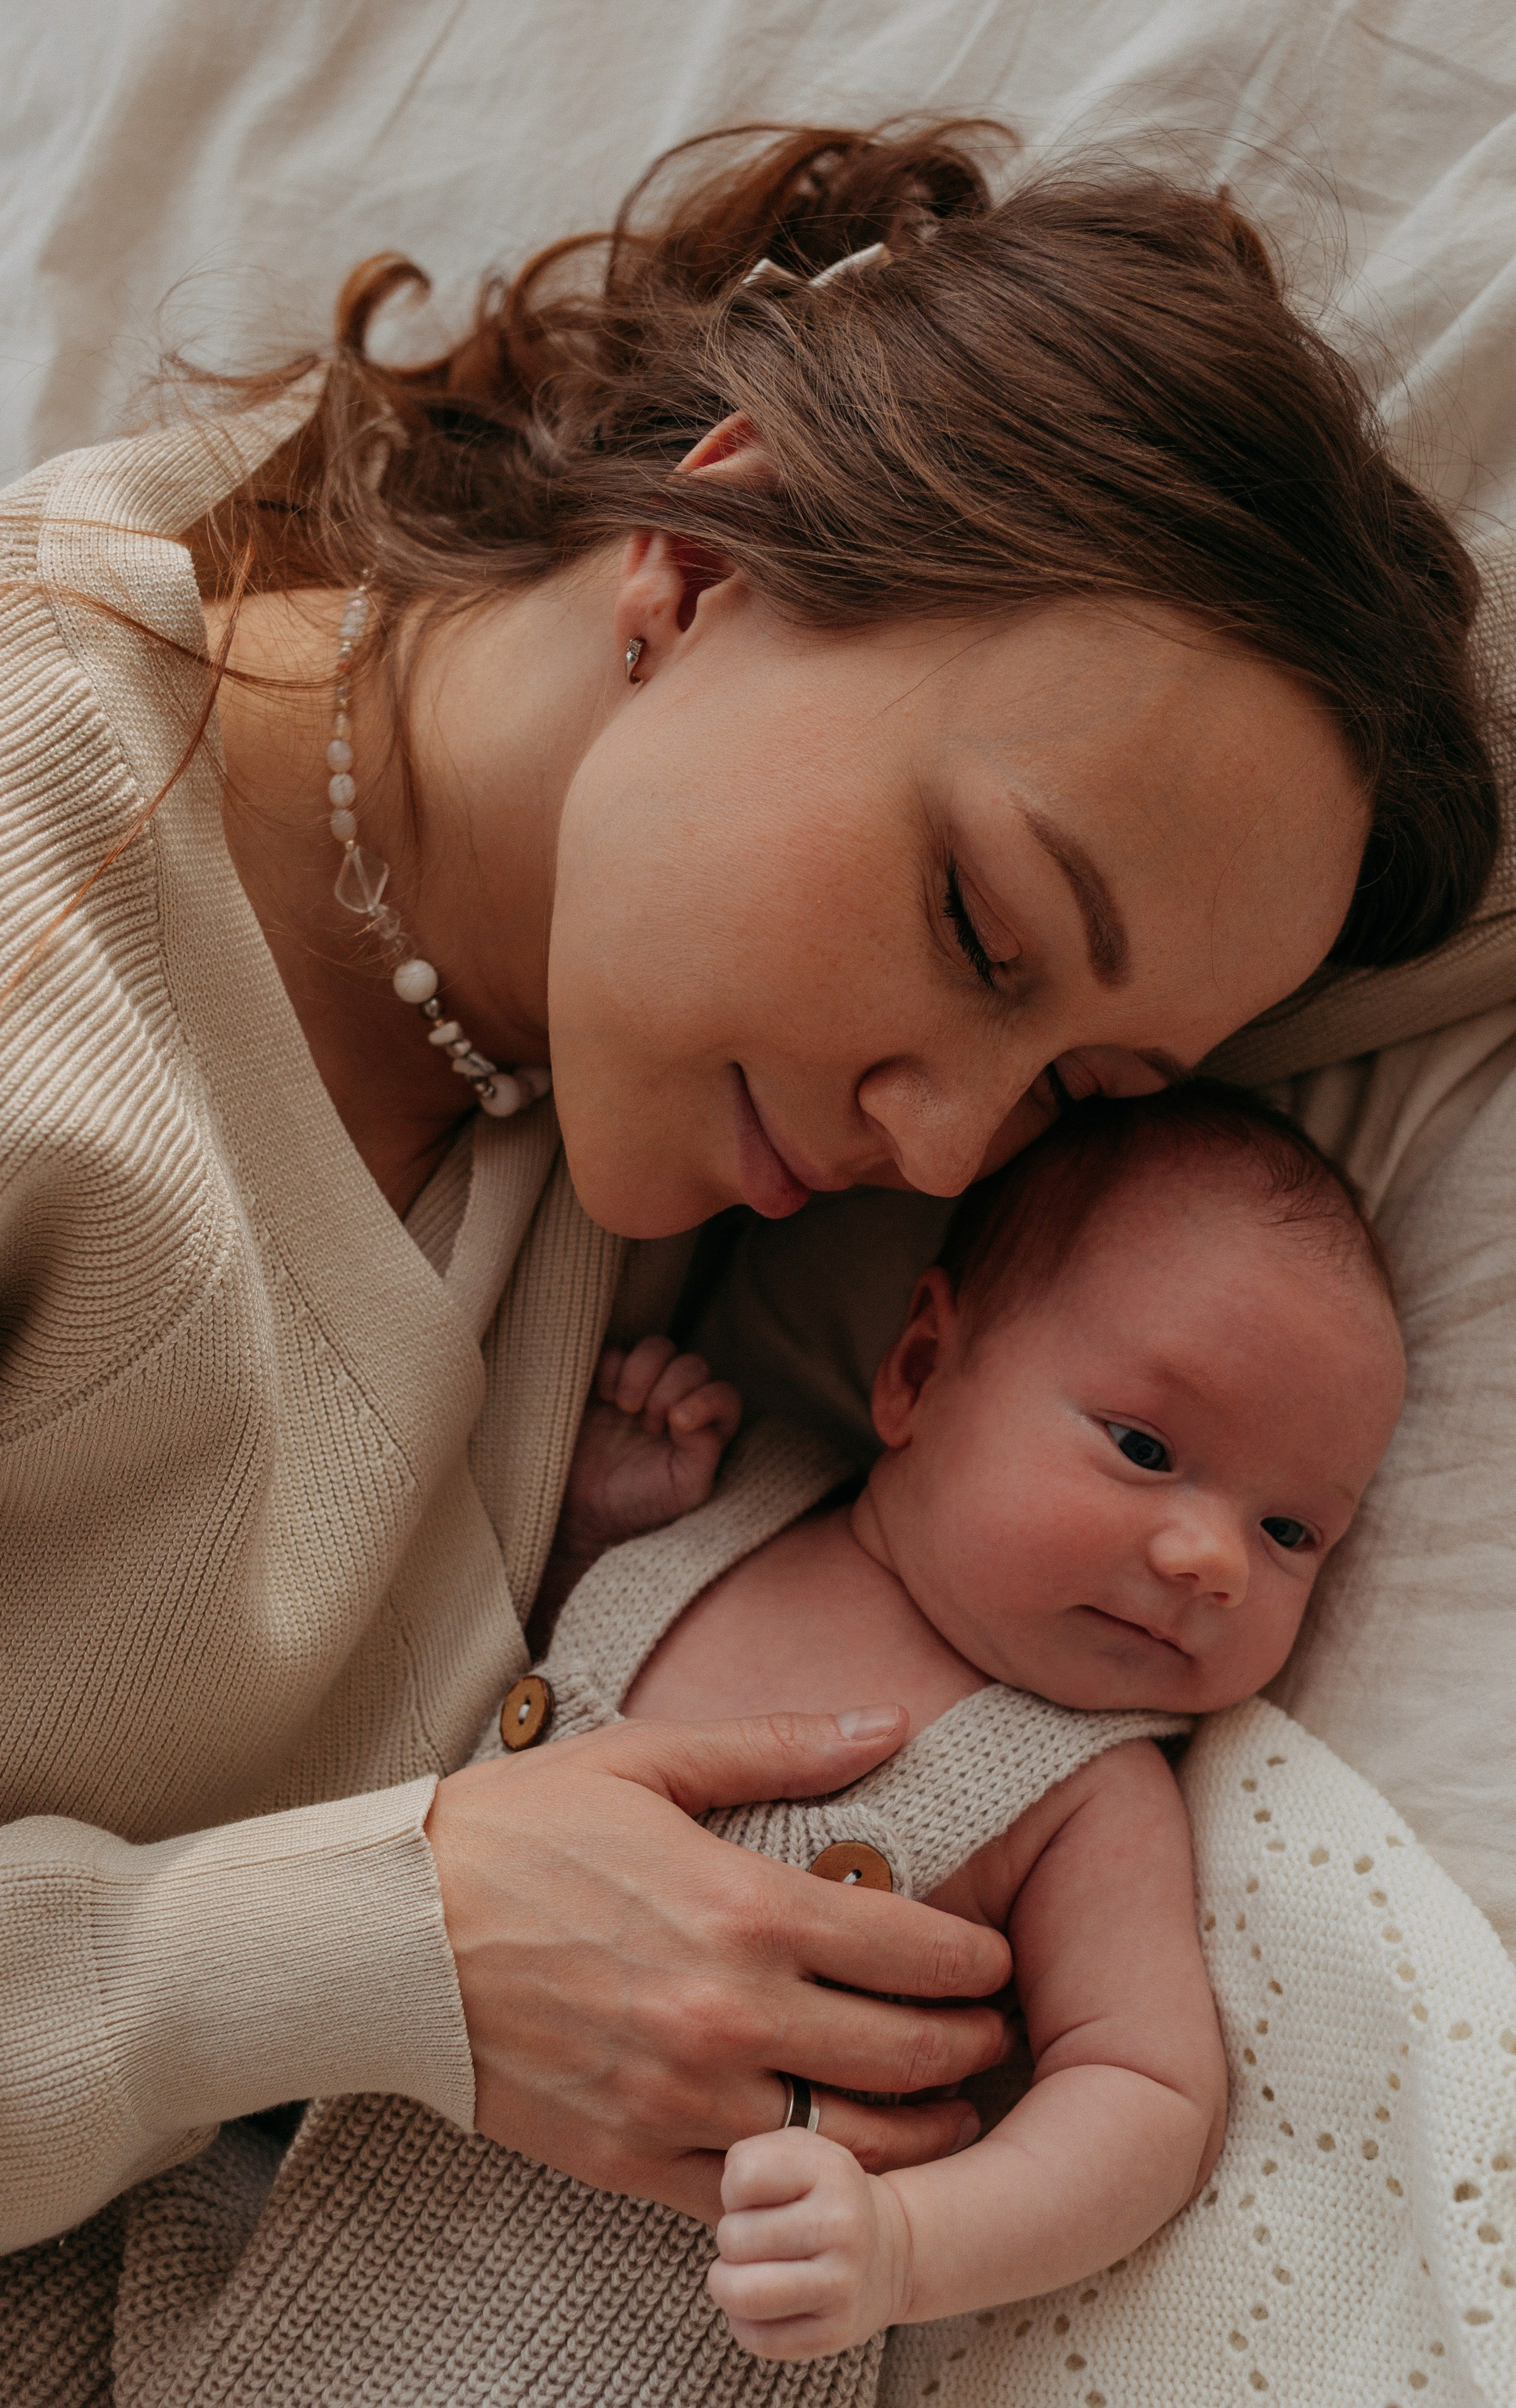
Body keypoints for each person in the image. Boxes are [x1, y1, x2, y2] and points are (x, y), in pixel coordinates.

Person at [0, 115, 1496, 2358]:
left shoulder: (619, 1068)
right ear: (709, 554)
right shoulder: (57, 912)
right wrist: (360, 1946)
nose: (945, 1142)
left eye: (1081, 1095)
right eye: (985, 934)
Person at [108, 1082, 1403, 2403]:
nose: (1211, 1563)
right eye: (1142, 1446)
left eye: (1290, 1532)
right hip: (285, 2240)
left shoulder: (1080, 1789)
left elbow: (1146, 2099)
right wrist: (599, 1537)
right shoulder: (739, 1494)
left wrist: (902, 2248)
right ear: (914, 1374)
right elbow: (533, 1718)